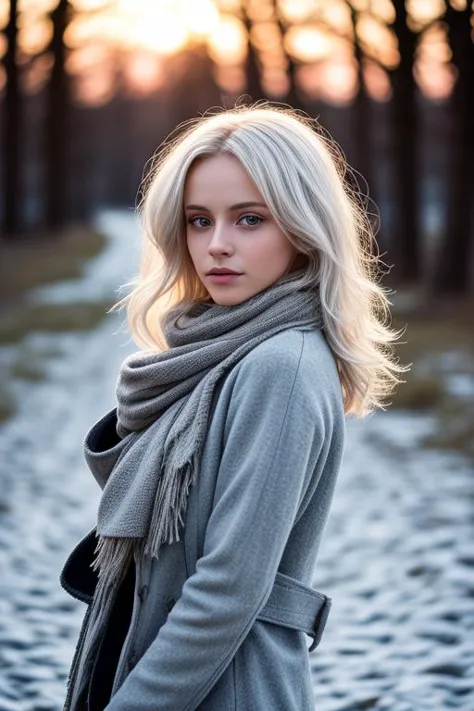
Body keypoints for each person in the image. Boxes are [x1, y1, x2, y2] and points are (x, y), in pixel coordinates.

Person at [60, 103, 409, 711]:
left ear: (303, 228)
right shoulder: (221, 349)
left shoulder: (282, 367)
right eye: (199, 221)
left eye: (249, 219)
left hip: (227, 687)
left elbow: (229, 588)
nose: (217, 245)